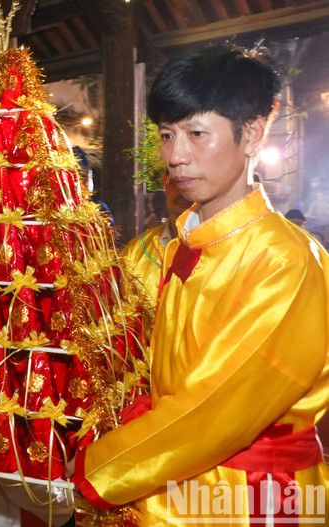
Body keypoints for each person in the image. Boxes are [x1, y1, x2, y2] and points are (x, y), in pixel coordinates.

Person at [71, 45, 329, 525]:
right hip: (176, 473)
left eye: (196, 133)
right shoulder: (188, 241)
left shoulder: (283, 259)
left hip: (248, 495)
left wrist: (100, 467)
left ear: (251, 133)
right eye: (167, 135)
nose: (175, 156)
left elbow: (214, 405)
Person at [121, 175, 192, 301]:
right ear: (165, 184)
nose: (182, 190)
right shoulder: (136, 252)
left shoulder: (226, 250)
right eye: (176, 181)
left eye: (191, 181)